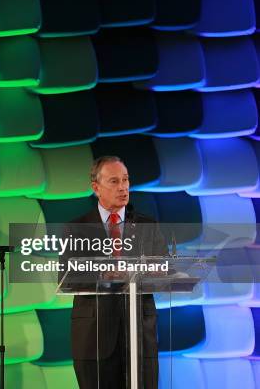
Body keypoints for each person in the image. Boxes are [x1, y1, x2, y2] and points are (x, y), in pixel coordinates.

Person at [61, 156, 168, 389]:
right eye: (114, 181)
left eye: (126, 179)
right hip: (95, 335)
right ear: (96, 188)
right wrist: (103, 274)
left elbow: (165, 270)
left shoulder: (147, 226)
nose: (123, 186)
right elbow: (67, 278)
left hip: (140, 333)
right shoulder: (76, 229)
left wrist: (149, 270)